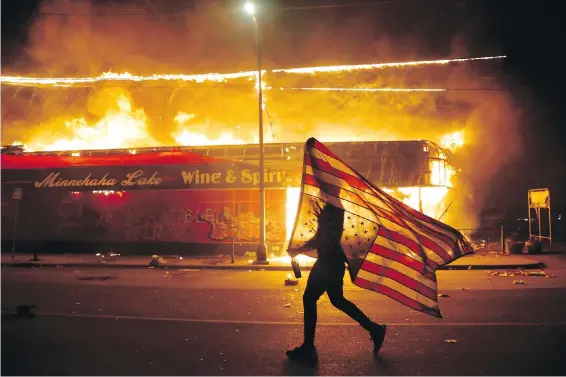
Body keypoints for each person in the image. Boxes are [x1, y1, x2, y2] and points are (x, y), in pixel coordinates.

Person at [286, 203, 387, 366]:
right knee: (337, 300)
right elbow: (322, 236)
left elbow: (324, 238)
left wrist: (299, 250)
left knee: (310, 299)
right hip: (332, 262)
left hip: (328, 263)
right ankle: (374, 329)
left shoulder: (333, 208)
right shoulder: (333, 207)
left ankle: (308, 349)